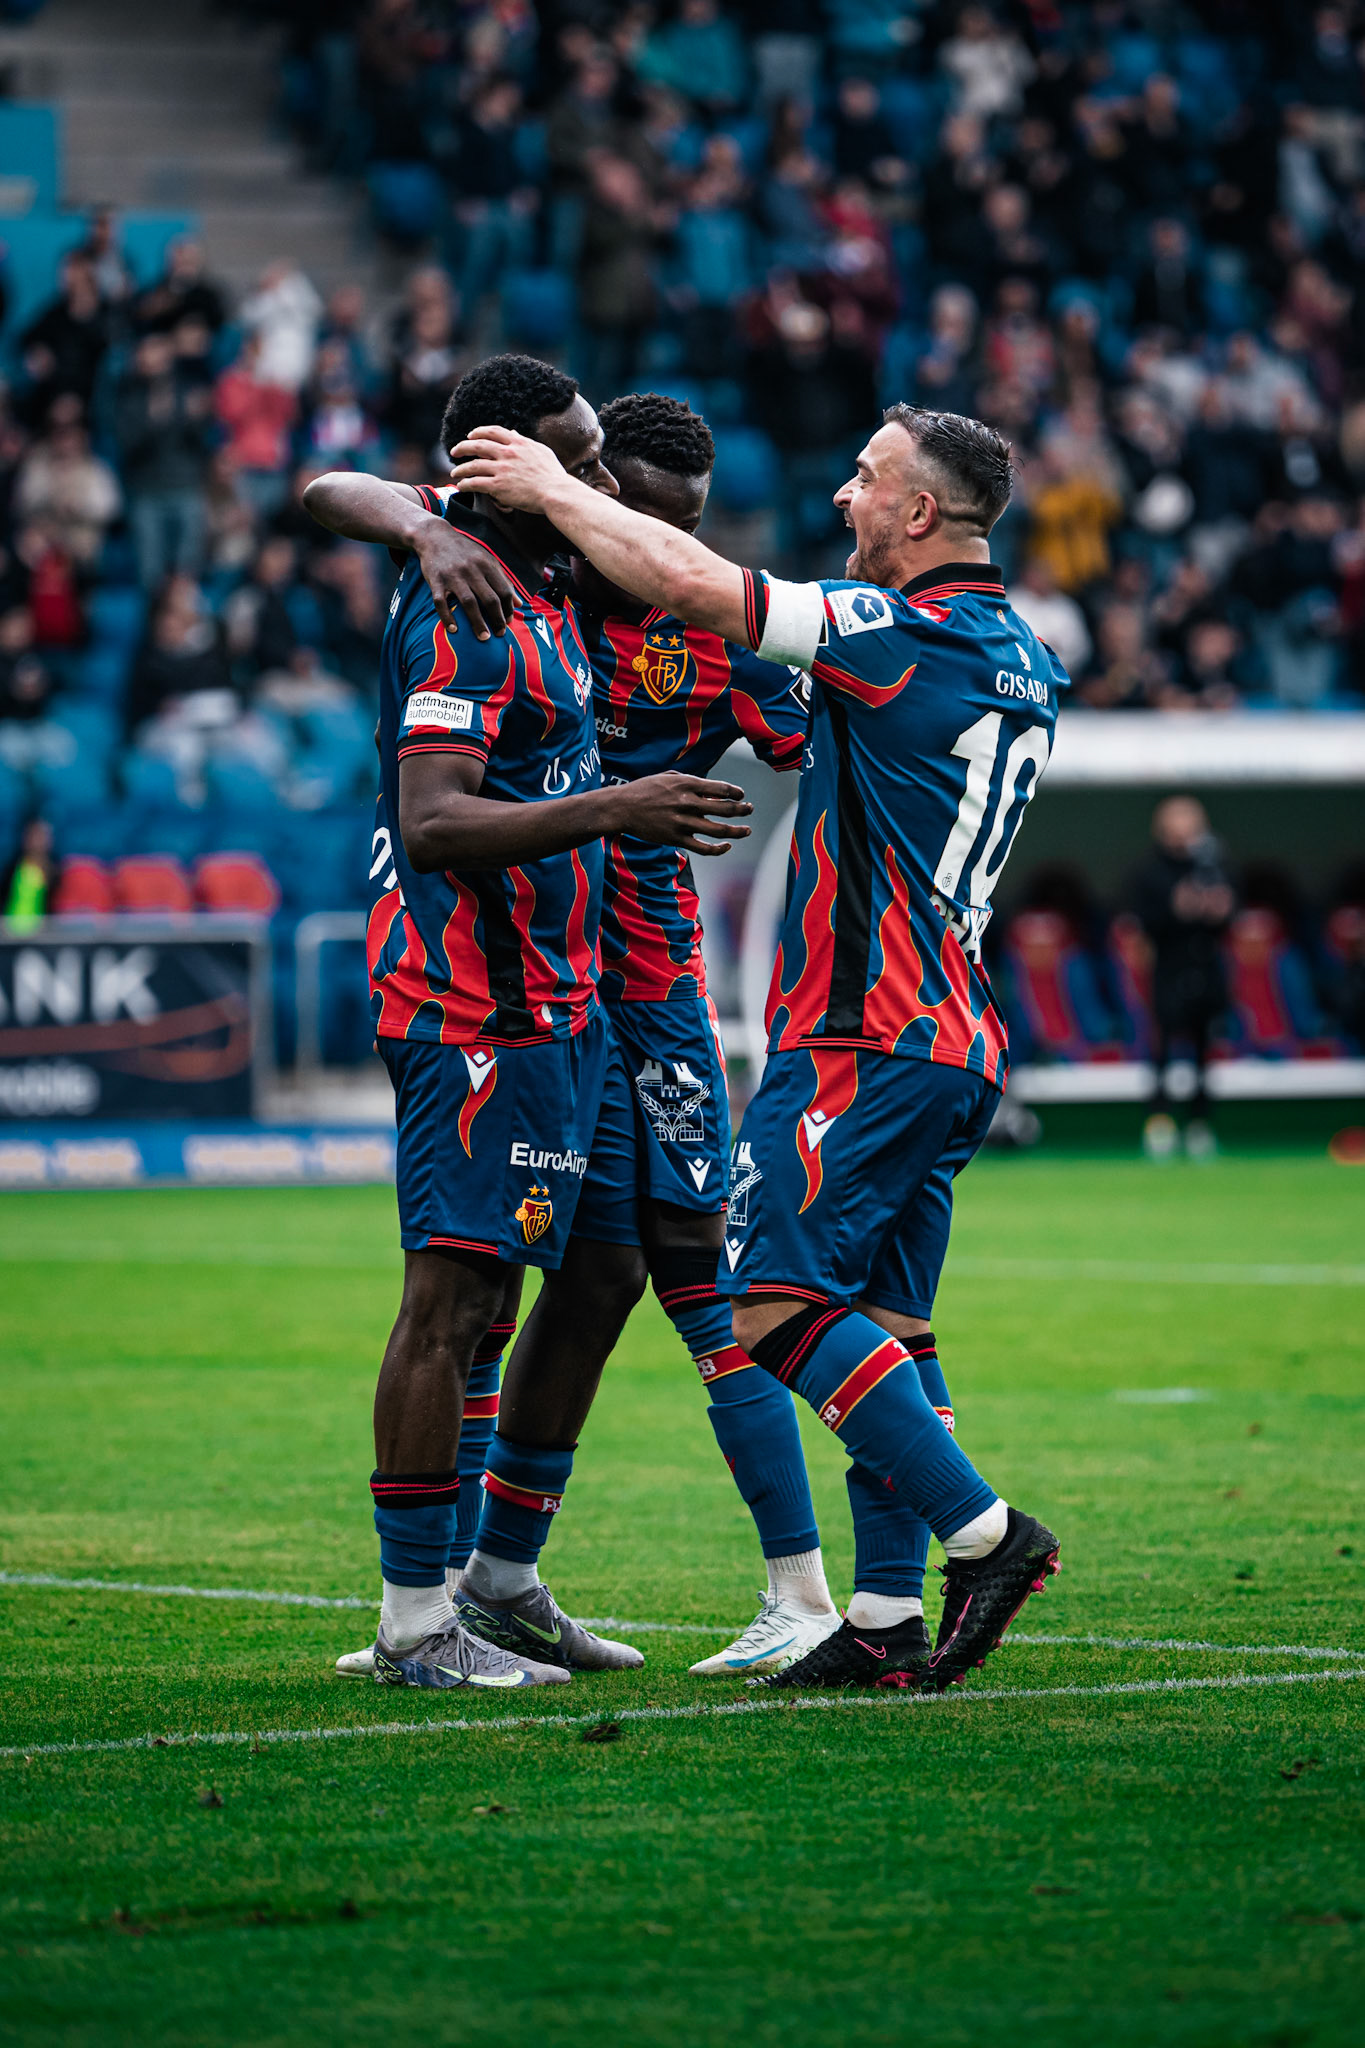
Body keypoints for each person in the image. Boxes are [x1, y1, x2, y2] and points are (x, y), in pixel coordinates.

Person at [452, 401, 1067, 1693]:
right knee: (890, 1326)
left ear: (917, 514)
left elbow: (693, 582)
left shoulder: (896, 630)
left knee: (773, 1304)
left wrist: (552, 493)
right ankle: (888, 1621)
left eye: (864, 476)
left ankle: (987, 1536)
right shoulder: (1023, 650)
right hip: (956, 1035)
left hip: (863, 1031)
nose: (843, 494)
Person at [303, 354, 753, 1692]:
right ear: (499, 469)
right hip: (471, 1005)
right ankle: (413, 1624)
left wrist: (425, 512)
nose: (598, 481)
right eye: (576, 457)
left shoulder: (545, 573)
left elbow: (349, 489)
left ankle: (498, 1584)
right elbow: (434, 823)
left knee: (606, 1265)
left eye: (603, 459)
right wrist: (624, 807)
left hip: (567, 1006)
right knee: (454, 1301)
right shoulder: (463, 608)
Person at [1133, 796, 1236, 1160]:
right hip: (1168, 971)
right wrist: (1177, 910)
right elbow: (1143, 922)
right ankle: (1159, 1126)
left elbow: (1230, 916)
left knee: (1203, 1052)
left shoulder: (1214, 864)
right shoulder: (1151, 871)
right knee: (1162, 1052)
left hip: (1206, 970)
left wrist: (1218, 910)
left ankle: (1200, 1126)